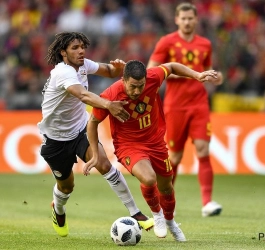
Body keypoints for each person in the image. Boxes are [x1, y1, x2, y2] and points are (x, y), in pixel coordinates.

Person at [83, 60, 219, 241]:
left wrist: (196, 75)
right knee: (148, 178)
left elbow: (171, 67)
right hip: (128, 145)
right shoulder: (111, 95)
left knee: (167, 187)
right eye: (133, 86)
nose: (137, 91)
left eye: (141, 86)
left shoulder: (154, 77)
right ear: (123, 80)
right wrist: (94, 153)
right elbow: (92, 123)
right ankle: (157, 216)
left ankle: (170, 222)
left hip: (155, 142)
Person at [38, 32, 154, 237]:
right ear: (63, 52)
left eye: (82, 46)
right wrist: (109, 105)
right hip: (55, 139)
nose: (81, 50)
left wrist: (121, 68)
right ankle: (58, 209)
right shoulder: (62, 73)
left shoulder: (83, 65)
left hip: (80, 130)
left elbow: (109, 71)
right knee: (66, 187)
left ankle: (136, 213)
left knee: (104, 164)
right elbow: (82, 95)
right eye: (75, 48)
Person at [147, 2, 223, 217]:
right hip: (175, 106)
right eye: (184, 18)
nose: (188, 22)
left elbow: (207, 69)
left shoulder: (205, 44)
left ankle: (207, 202)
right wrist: (189, 73)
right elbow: (153, 71)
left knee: (203, 150)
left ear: (196, 20)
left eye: (191, 18)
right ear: (177, 20)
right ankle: (165, 200)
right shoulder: (167, 42)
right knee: (176, 158)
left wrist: (215, 77)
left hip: (199, 104)